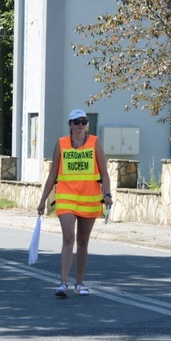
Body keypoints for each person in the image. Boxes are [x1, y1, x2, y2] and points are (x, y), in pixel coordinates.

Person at [37, 109, 113, 298]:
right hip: (66, 198)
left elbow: (104, 173)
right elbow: (53, 174)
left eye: (83, 122)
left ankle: (79, 284)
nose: (80, 126)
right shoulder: (61, 144)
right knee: (68, 238)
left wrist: (108, 194)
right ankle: (63, 283)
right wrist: (43, 199)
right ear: (70, 124)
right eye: (76, 122)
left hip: (89, 199)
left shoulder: (95, 142)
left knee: (83, 242)